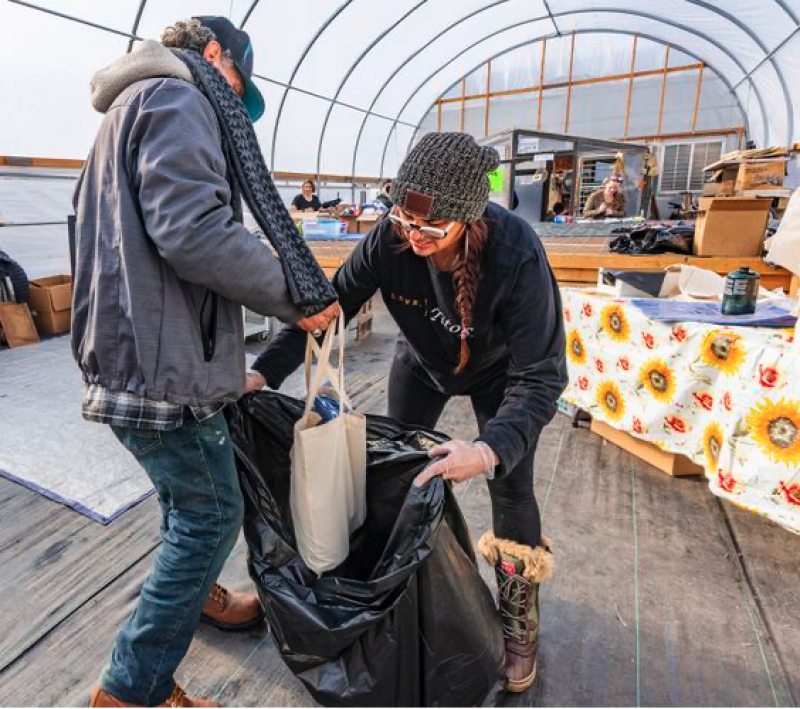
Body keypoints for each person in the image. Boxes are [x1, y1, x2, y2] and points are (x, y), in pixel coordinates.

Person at [72, 17, 339, 708]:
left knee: (188, 499)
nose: (236, 110)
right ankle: (133, 687)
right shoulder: (179, 97)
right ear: (214, 54)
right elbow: (195, 231)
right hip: (162, 363)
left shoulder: (135, 105)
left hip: (137, 348)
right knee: (212, 512)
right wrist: (294, 292)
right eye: (238, 86)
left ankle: (203, 593)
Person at [247, 132, 568, 693]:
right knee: (400, 470)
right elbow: (328, 307)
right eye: (403, 220)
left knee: (511, 486)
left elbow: (541, 375)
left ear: (468, 218)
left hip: (501, 375)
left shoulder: (516, 253)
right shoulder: (388, 242)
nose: (414, 237)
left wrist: (488, 448)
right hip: (421, 364)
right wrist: (264, 371)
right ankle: (395, 596)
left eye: (431, 229)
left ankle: (519, 624)